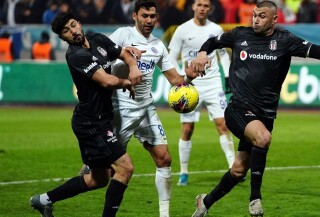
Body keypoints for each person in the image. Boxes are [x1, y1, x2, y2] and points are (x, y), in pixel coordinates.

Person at [189, 1, 320, 216]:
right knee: (263, 138)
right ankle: (255, 199)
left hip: (265, 115)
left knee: (239, 170)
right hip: (238, 110)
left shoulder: (286, 40)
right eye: (254, 15)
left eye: (261, 16)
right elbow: (213, 41)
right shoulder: (240, 35)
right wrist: (203, 53)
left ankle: (205, 203)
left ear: (274, 19)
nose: (255, 19)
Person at [29, 11, 144, 217]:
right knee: (125, 168)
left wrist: (133, 67)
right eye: (66, 31)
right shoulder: (75, 55)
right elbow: (106, 81)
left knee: (98, 179)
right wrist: (128, 82)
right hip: (91, 123)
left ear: (79, 24)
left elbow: (125, 54)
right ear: (62, 38)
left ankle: (44, 200)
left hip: (100, 119)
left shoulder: (98, 39)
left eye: (73, 25)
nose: (72, 31)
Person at [108, 0, 200, 216]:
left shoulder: (158, 45)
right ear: (134, 16)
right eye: (144, 16)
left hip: (145, 109)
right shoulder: (122, 35)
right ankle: (50, 198)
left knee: (164, 158)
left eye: (152, 16)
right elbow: (100, 53)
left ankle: (164, 214)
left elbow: (175, 79)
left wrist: (189, 77)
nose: (149, 20)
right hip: (119, 111)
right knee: (101, 173)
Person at [168, 0, 235, 186]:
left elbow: (223, 54)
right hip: (191, 86)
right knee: (188, 128)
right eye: (199, 4)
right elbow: (172, 55)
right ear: (193, 7)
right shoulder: (182, 30)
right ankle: (183, 172)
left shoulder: (216, 29)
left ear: (210, 8)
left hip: (213, 84)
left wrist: (228, 76)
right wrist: (179, 77)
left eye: (206, 5)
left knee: (223, 125)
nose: (202, 8)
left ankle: (233, 168)